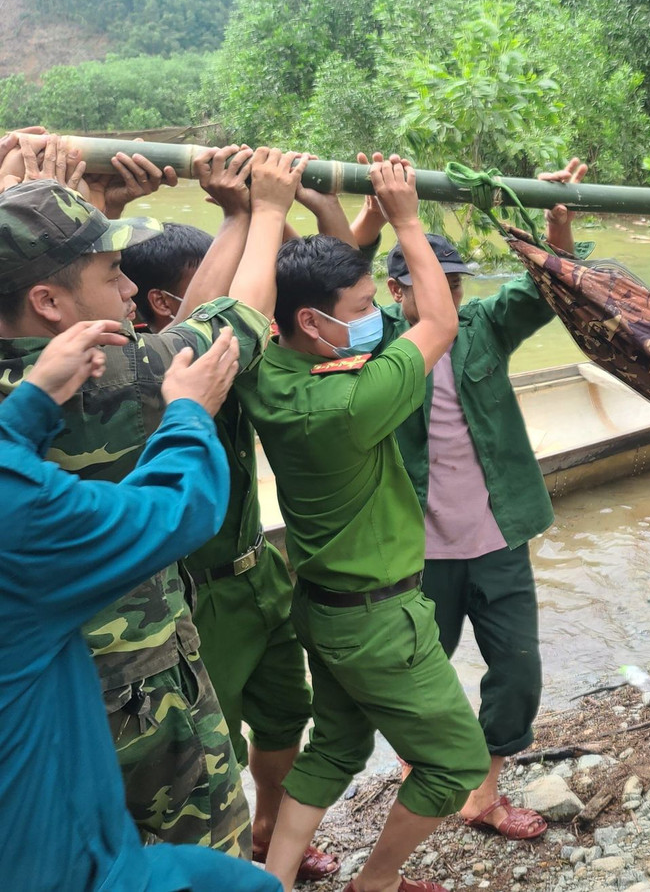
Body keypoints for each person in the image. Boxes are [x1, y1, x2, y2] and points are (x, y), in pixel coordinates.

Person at [0, 141, 276, 855]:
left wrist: (67, 210)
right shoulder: (117, 374)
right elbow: (228, 323)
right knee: (207, 852)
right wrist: (266, 209)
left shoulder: (40, 380)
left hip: (33, 711)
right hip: (137, 693)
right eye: (113, 272)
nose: (129, 293)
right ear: (49, 301)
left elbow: (181, 316)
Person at [240, 154, 490, 892]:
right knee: (455, 762)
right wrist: (408, 218)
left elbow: (271, 295)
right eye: (360, 306)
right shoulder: (350, 401)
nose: (374, 315)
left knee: (337, 747)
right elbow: (439, 319)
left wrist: (312, 213)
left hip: (321, 609)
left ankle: (276, 880)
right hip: (381, 621)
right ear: (313, 321)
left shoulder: (268, 369)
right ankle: (373, 883)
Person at [119, 147, 339, 881]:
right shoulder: (155, 376)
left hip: (257, 563)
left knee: (285, 713)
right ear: (159, 308)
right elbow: (211, 321)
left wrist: (244, 216)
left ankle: (270, 828)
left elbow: (310, 296)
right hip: (199, 592)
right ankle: (229, 845)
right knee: (212, 746)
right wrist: (256, 212)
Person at [375, 159, 583, 842]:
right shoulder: (375, 342)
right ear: (393, 287)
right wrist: (381, 210)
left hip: (499, 538)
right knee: (414, 677)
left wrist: (557, 224)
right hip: (416, 551)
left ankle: (483, 794)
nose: (450, 296)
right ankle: (420, 771)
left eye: (456, 283)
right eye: (433, 283)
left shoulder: (483, 328)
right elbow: (317, 290)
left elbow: (546, 289)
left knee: (518, 668)